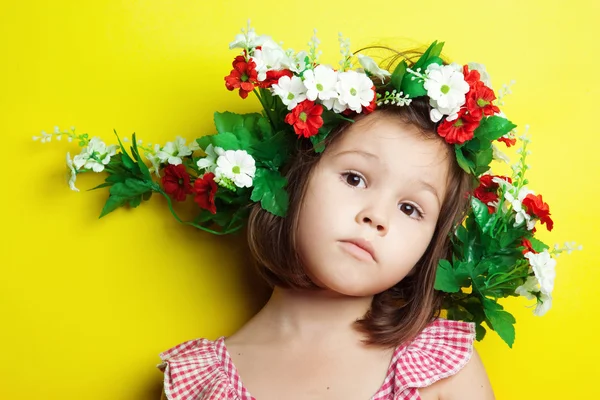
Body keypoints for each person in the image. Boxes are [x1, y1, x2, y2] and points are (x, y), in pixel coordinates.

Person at [37, 23, 570, 400]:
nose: (376, 216)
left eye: (411, 208)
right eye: (355, 178)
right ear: (293, 179)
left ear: (431, 244)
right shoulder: (202, 383)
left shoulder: (434, 366)